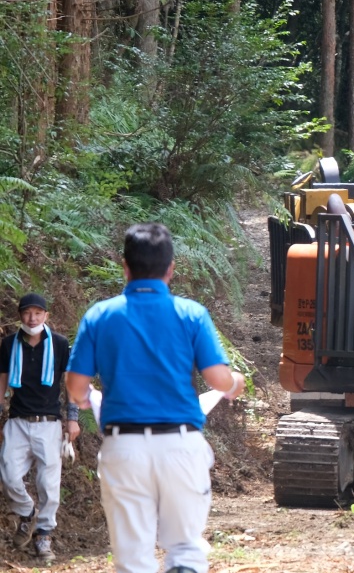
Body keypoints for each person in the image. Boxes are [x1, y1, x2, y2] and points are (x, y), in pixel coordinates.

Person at [65, 223, 245, 573]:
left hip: (124, 447)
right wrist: (235, 382)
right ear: (171, 268)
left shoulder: (100, 315)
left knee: (133, 560)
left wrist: (86, 398)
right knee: (185, 551)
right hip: (180, 446)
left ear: (125, 266)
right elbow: (218, 379)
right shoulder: (191, 314)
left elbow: (75, 387)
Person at [0, 292, 78, 564]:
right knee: (8, 474)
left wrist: (73, 417)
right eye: (26, 312)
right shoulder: (9, 344)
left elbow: (69, 383)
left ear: (47, 315)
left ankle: (43, 535)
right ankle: (27, 512)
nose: (31, 317)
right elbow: (2, 380)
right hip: (18, 421)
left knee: (48, 482)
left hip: (50, 423)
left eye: (37, 312)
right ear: (19, 315)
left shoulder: (59, 343)